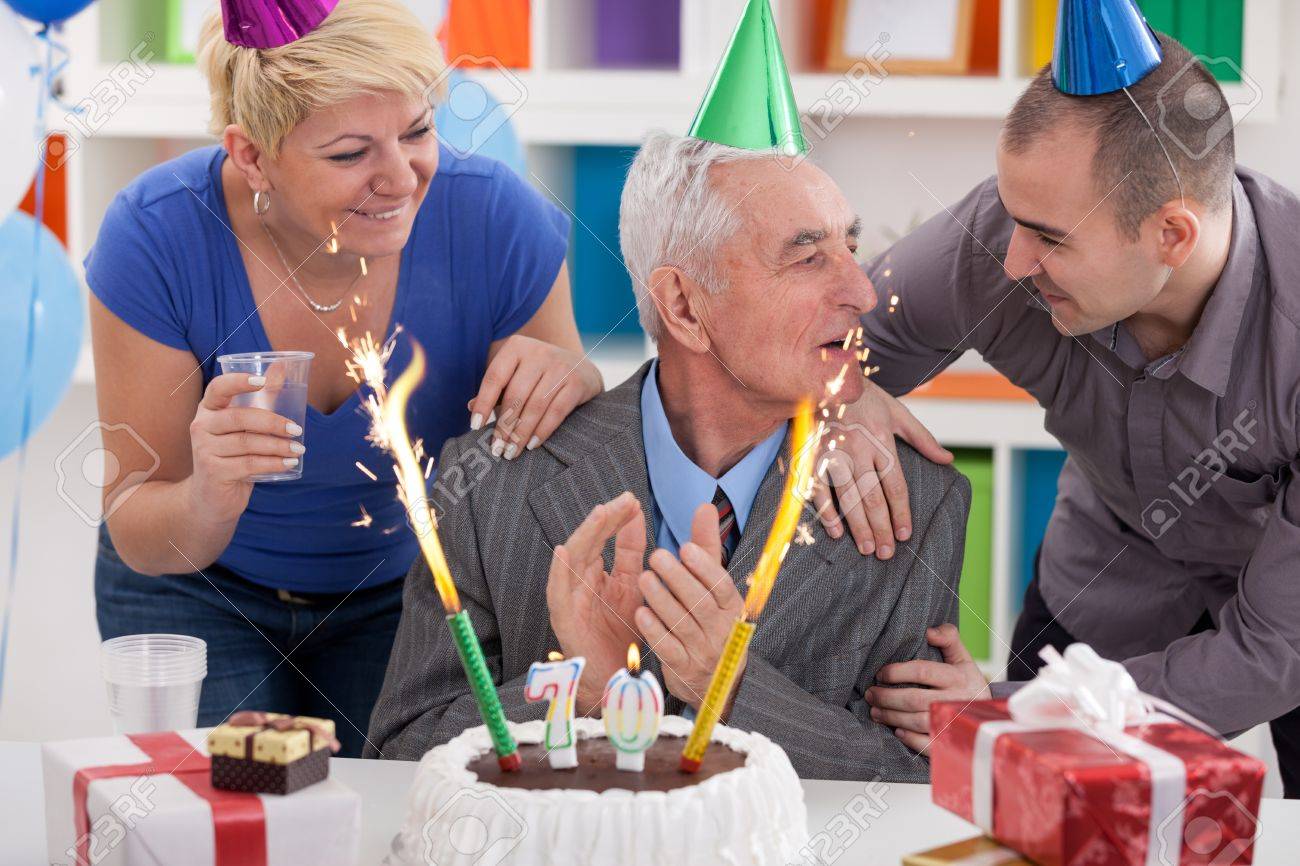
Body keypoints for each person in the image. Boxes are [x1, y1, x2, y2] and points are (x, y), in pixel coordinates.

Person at [365, 130, 972, 782]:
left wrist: (733, 688)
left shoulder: (917, 499)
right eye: (808, 259)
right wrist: (579, 689)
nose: (863, 291)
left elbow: (910, 780)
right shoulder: (490, 485)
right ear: (682, 304)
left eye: (849, 247)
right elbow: (398, 759)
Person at [84, 0, 603, 756]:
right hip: (196, 586)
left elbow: (568, 459)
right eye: (350, 153)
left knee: (391, 814)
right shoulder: (157, 233)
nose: (402, 178)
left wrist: (572, 382)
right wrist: (209, 493)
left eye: (419, 132)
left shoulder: (496, 219)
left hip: (403, 595)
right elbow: (139, 524)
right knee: (234, 818)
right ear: (251, 155)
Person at [846, 32, 1300, 798]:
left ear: (1172, 234)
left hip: (1284, 619)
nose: (1014, 259)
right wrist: (844, 395)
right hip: (1100, 579)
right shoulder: (1003, 233)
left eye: (1050, 239)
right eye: (1014, 217)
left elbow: (1274, 650)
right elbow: (837, 341)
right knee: (1020, 819)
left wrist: (1007, 711)